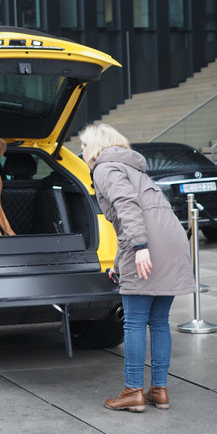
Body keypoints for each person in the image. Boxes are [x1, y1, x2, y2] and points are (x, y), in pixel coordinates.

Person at [79, 122, 196, 412]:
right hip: (172, 243)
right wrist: (120, 263)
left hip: (147, 246)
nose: (80, 152)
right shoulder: (135, 169)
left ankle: (132, 391)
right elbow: (128, 221)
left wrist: (141, 248)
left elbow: (126, 207)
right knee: (158, 322)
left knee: (133, 321)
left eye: (82, 146)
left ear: (95, 147)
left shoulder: (105, 169)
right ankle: (159, 391)